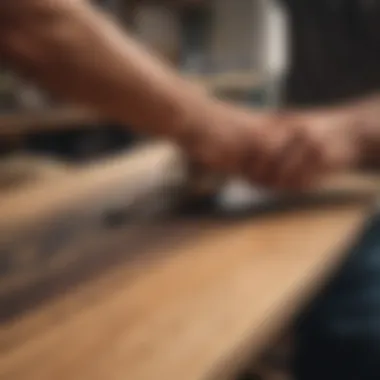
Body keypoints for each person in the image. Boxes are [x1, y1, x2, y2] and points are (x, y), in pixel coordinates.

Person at [0, 1, 379, 379]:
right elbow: (29, 20)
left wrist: (358, 128)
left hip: (361, 186)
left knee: (358, 332)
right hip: (295, 174)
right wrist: (210, 126)